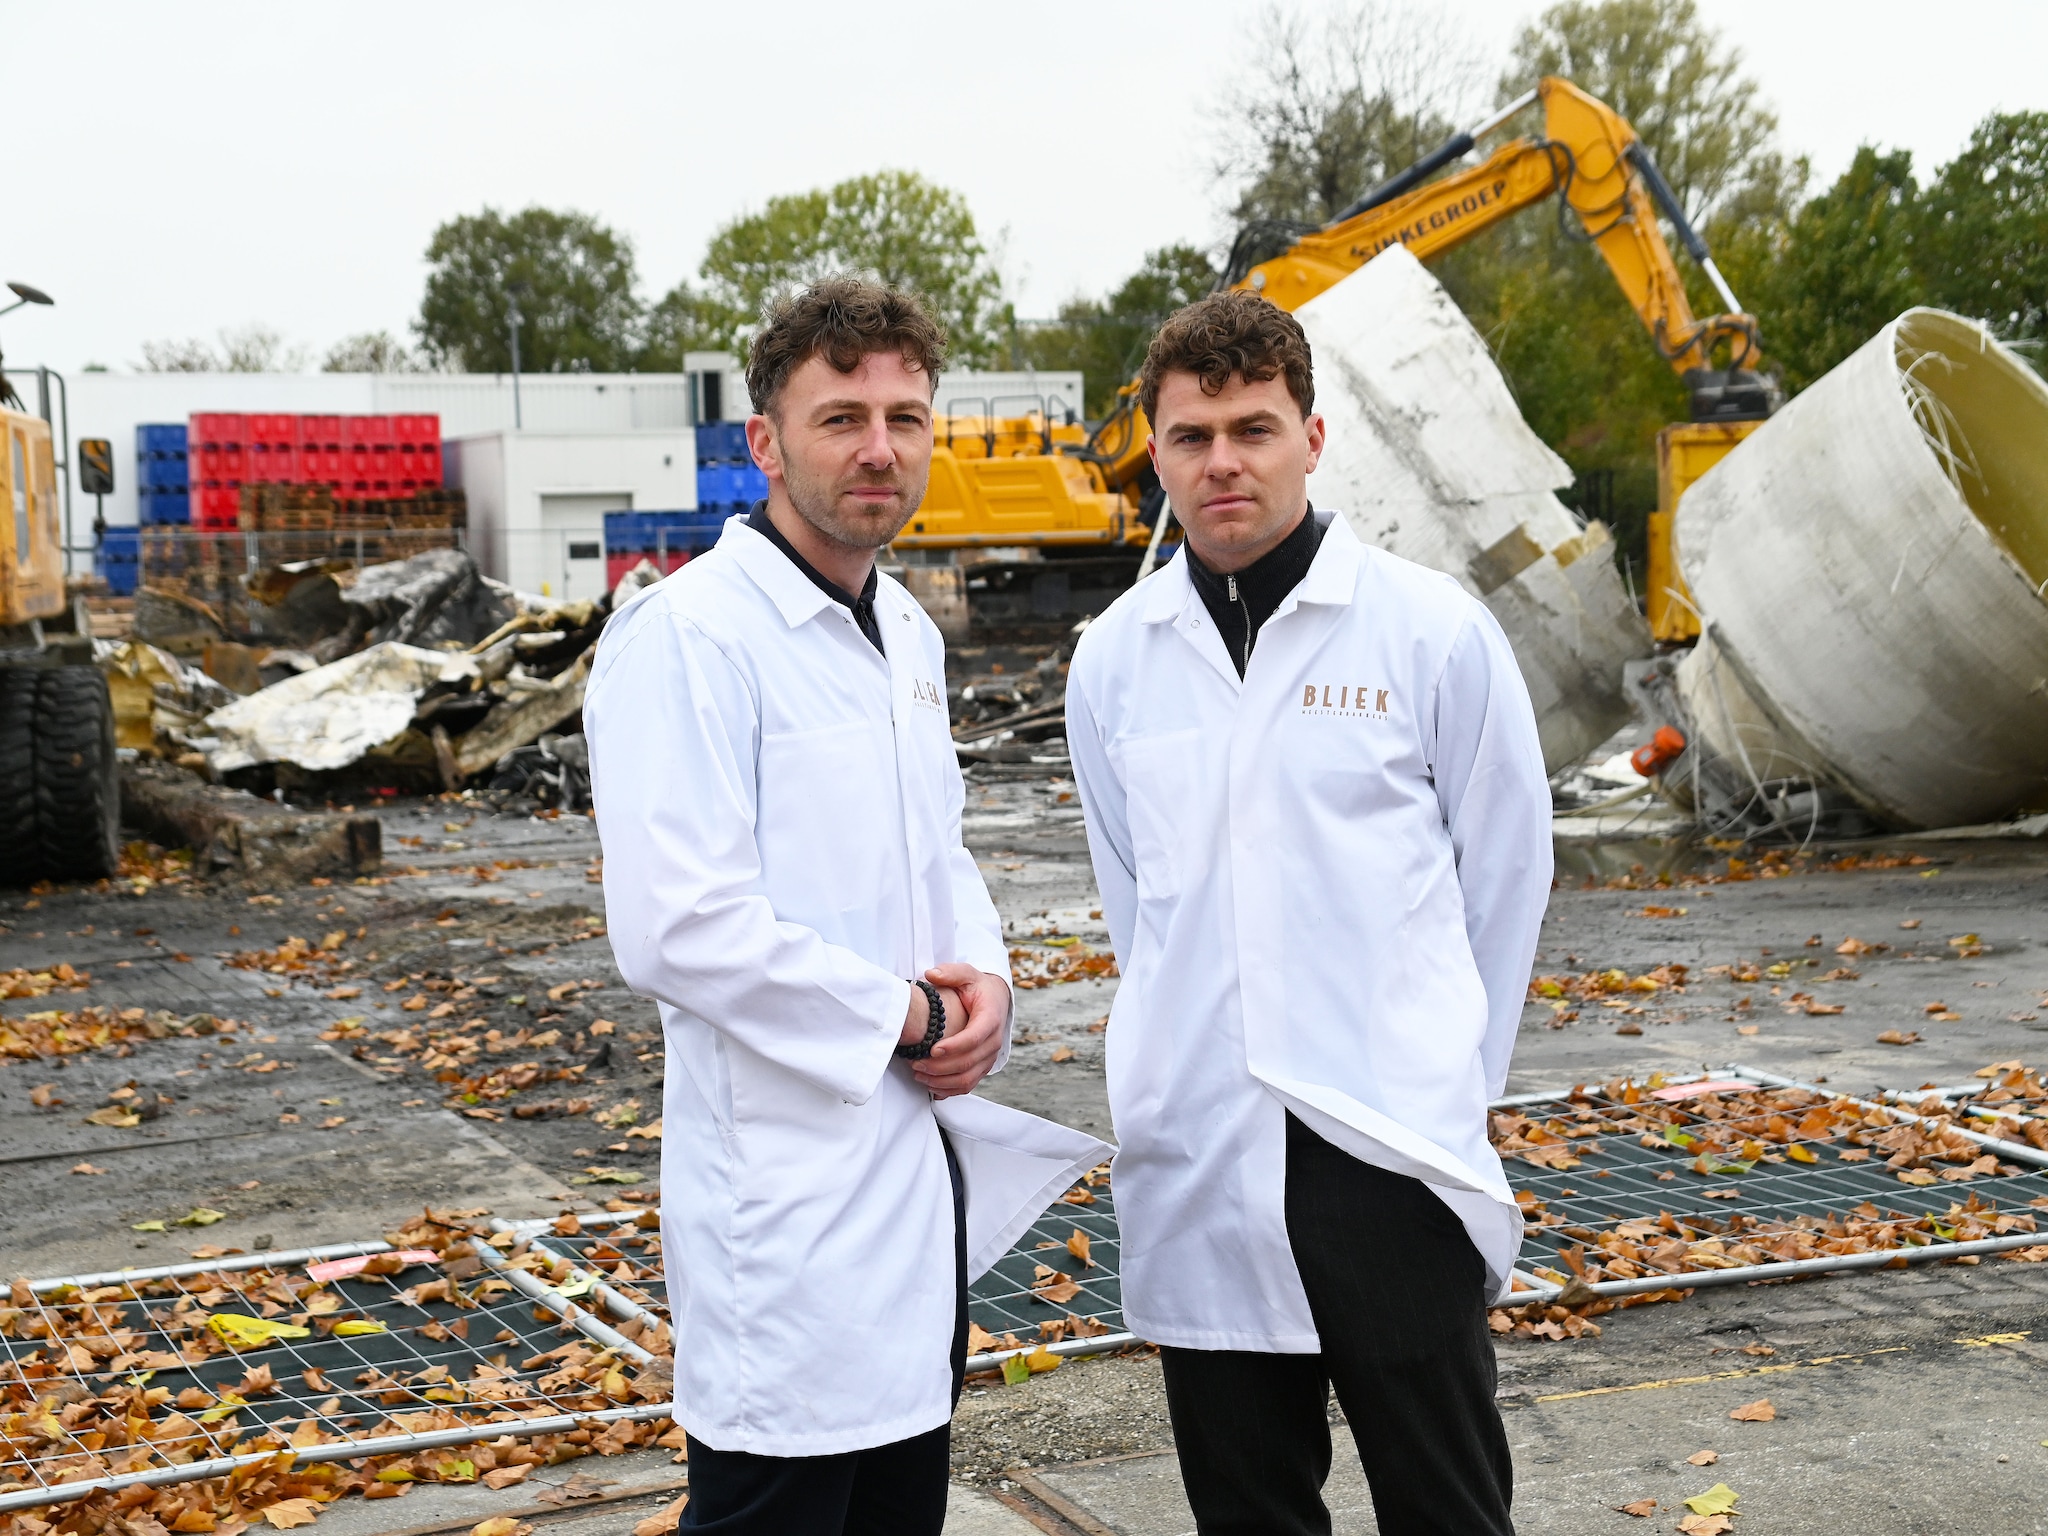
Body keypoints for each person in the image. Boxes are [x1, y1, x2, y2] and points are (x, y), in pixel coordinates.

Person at [585, 276, 1108, 1536]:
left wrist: (982, 982)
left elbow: (938, 852)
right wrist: (904, 1016)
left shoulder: (907, 637)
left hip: (906, 1198)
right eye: (840, 417)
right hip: (782, 1209)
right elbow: (677, 924)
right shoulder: (689, 639)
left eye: (906, 416)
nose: (879, 447)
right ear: (764, 442)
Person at [1065, 289, 1552, 1536]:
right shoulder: (1114, 658)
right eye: (1190, 436)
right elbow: (1139, 905)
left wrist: (1444, 1077)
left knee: (1444, 1505)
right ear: (1154, 452)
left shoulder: (1427, 633)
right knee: (1247, 1510)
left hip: (1384, 1148)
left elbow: (1503, 877)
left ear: (1312, 438)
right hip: (1203, 1146)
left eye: (1252, 428)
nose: (1222, 461)